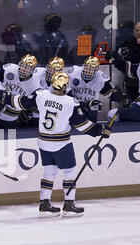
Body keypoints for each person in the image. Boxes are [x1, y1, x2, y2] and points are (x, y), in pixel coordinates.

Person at [9, 72, 112, 217]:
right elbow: (82, 125)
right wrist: (100, 130)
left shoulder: (41, 95)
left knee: (49, 171)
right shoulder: (71, 103)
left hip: (43, 142)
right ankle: (69, 203)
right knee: (70, 171)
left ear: (52, 84)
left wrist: (2, 98)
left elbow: (21, 102)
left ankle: (44, 203)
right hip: (61, 143)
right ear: (66, 86)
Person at [67, 56, 129, 122]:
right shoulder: (74, 73)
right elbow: (64, 92)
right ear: (84, 66)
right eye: (87, 67)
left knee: (95, 105)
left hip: (90, 106)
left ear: (96, 70)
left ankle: (92, 125)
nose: (88, 71)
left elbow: (110, 92)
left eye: (91, 69)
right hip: (75, 104)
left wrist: (122, 98)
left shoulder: (100, 79)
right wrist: (71, 98)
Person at [0, 54, 38, 128]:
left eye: (28, 67)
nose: (24, 69)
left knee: (4, 136)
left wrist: (26, 110)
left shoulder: (35, 86)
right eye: (23, 65)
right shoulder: (8, 69)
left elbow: (31, 104)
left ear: (33, 70)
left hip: (10, 117)